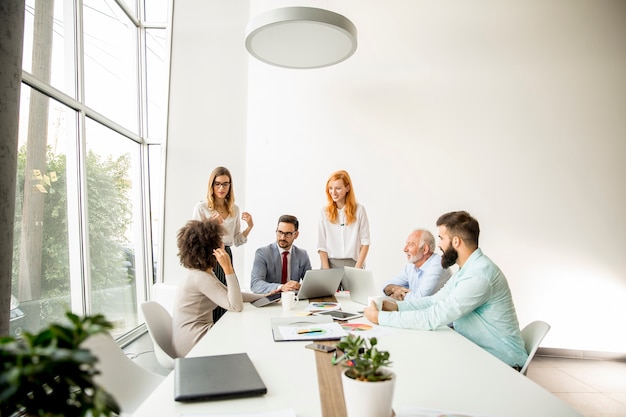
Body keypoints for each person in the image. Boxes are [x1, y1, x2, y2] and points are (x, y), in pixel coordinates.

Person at [364, 211, 528, 369]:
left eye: (441, 238)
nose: (439, 245)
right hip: (479, 355)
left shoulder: (479, 276)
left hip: (503, 365)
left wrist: (380, 318)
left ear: (456, 241)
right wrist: (397, 307)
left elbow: (433, 317)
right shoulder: (467, 270)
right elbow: (434, 301)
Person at [172, 218, 264, 357]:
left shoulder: (202, 273)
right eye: (219, 242)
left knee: (244, 333)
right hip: (193, 344)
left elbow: (231, 294)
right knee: (247, 336)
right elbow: (235, 306)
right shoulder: (201, 278)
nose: (223, 244)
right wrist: (228, 268)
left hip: (197, 335)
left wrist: (266, 296)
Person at [192, 166, 253, 323]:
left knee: (230, 296)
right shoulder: (202, 207)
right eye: (217, 184)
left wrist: (249, 227)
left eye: (225, 184)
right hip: (209, 256)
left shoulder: (234, 209)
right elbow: (193, 238)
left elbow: (236, 240)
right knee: (214, 298)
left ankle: (226, 332)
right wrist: (209, 226)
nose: (221, 188)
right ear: (211, 186)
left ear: (230, 186)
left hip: (226, 254)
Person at [317, 170, 370, 270]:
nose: (333, 192)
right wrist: (326, 271)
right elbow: (321, 245)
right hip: (330, 264)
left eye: (338, 188)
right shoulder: (324, 211)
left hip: (354, 264)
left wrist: (357, 268)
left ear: (347, 188)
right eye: (330, 188)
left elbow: (365, 243)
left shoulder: (359, 210)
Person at [382, 229, 451, 301]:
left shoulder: (438, 264)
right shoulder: (411, 266)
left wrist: (396, 295)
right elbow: (385, 287)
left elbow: (418, 300)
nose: (405, 249)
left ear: (425, 249)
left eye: (410, 245)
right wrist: (394, 288)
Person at [250, 215, 312, 294]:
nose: (282, 237)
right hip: (271, 299)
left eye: (288, 234)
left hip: (293, 299)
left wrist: (300, 286)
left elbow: (309, 284)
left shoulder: (302, 255)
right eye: (280, 232)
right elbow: (255, 284)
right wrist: (281, 287)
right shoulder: (263, 253)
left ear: (296, 235)